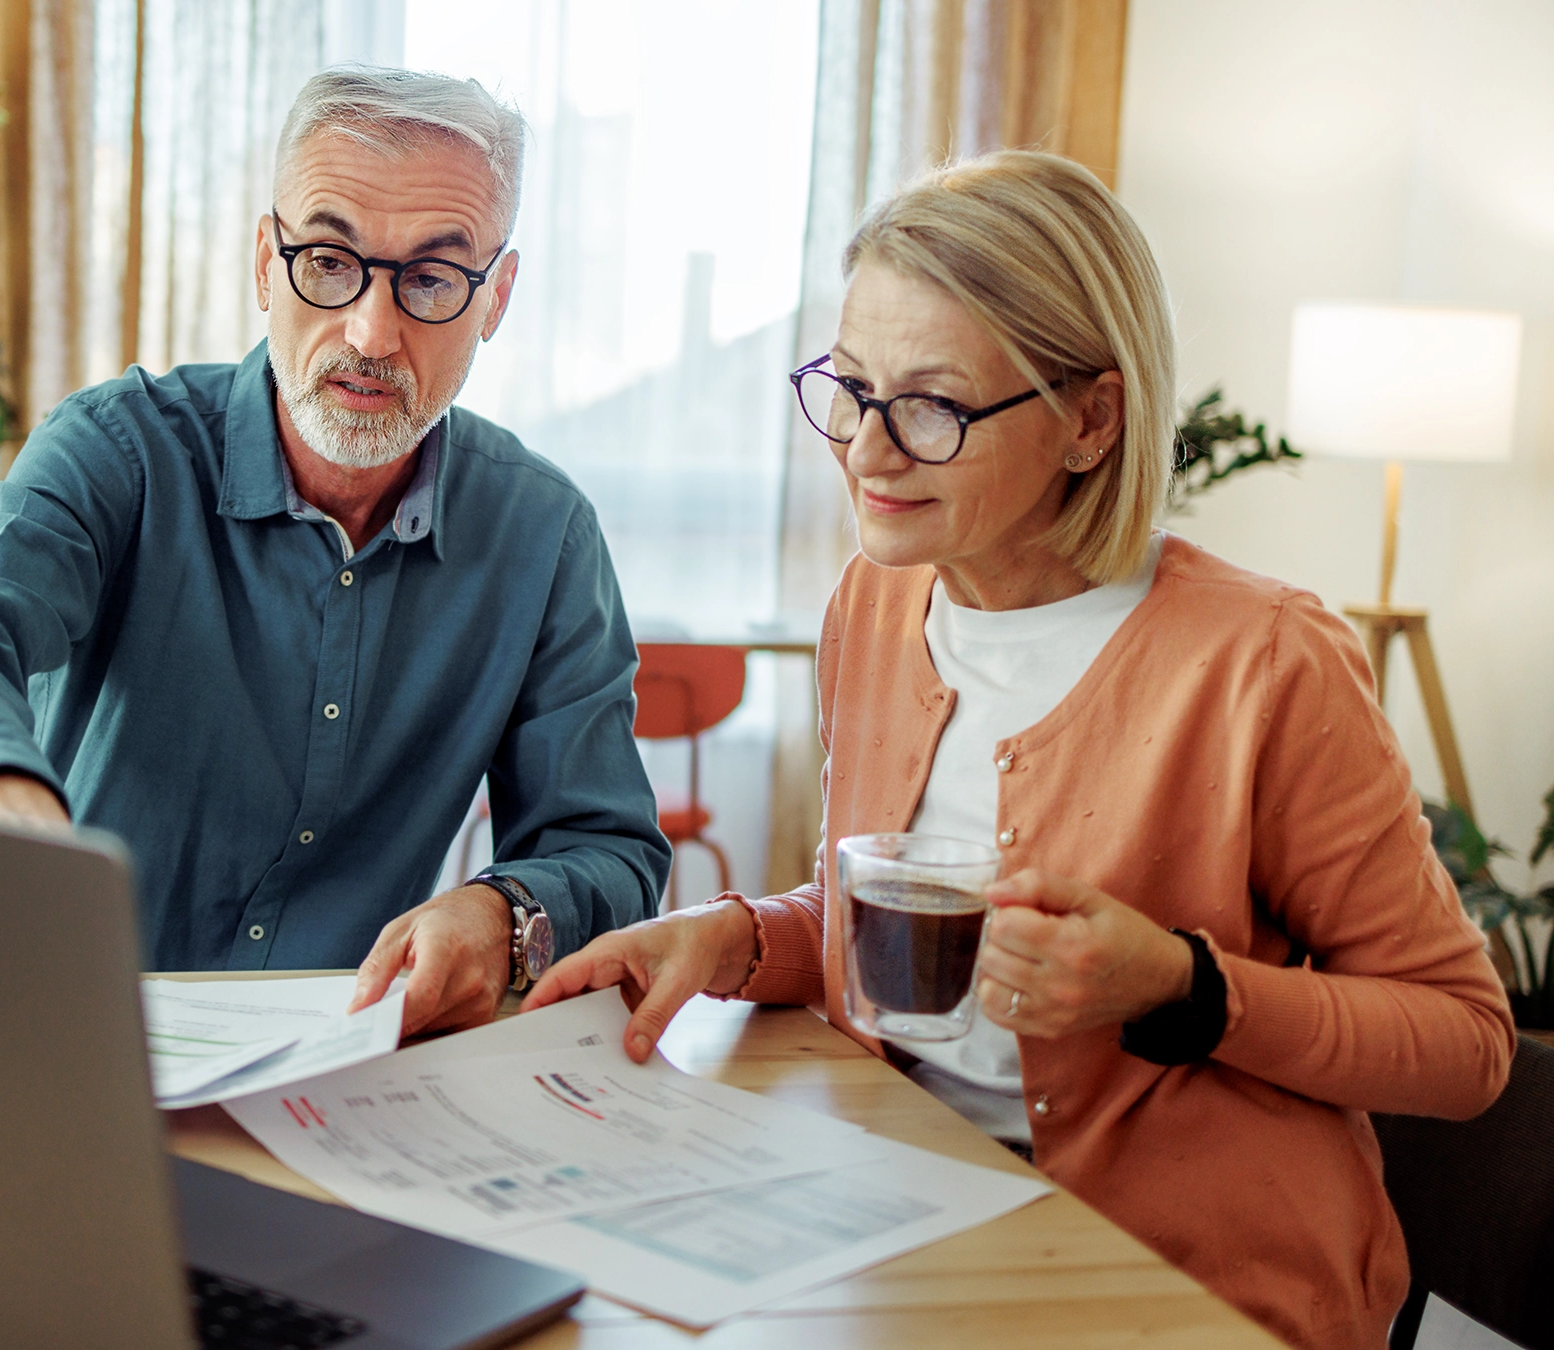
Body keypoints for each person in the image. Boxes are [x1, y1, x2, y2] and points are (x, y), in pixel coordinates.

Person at [520, 150, 1513, 1350]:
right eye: (849, 387)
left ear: (1089, 419)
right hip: (909, 1214)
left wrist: (1182, 989)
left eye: (931, 409)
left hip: (1198, 1288)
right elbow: (902, 913)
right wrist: (736, 936)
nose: (864, 453)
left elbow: (1465, 1046)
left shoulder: (1263, 661)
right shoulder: (876, 605)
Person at [0, 68, 670, 1038]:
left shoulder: (543, 536)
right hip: (54, 1026)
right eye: (327, 259)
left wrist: (503, 916)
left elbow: (606, 849)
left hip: (338, 1069)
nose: (370, 333)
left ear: (495, 299)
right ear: (264, 264)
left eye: (433, 280)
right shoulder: (119, 452)